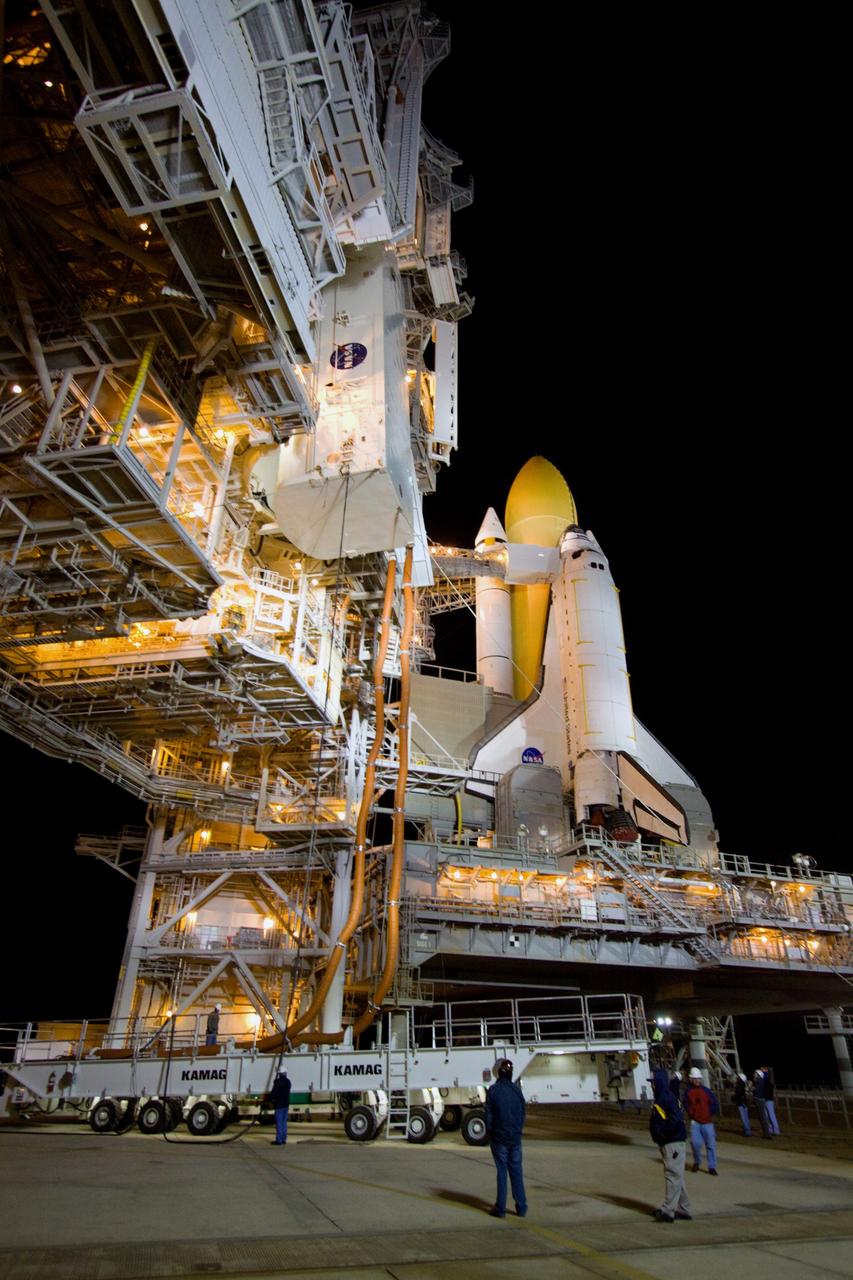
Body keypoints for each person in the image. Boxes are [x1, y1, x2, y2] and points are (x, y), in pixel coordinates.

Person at [485, 1058, 527, 1218]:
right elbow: (522, 1112)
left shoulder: (494, 1090)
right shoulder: (517, 1091)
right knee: (516, 1171)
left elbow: (489, 1114)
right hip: (515, 1138)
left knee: (502, 1171)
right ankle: (521, 1207)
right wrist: (517, 1130)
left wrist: (491, 1131)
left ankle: (500, 1208)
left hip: (499, 1138)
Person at [649, 1068, 692, 1222]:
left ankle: (668, 1211)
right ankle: (684, 1209)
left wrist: (662, 1133)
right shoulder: (664, 1097)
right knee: (677, 1176)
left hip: (672, 1142)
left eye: (653, 1082)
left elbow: (676, 1119)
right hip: (670, 1142)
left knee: (672, 1175)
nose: (651, 1085)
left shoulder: (666, 1098)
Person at [684, 1067, 719, 1174]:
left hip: (707, 1122)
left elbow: (714, 1103)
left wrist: (709, 1113)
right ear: (691, 1079)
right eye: (694, 1078)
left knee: (711, 1145)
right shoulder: (688, 1092)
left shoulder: (706, 1091)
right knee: (695, 1143)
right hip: (695, 1122)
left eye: (698, 1078)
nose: (697, 1080)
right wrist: (691, 1112)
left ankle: (712, 1166)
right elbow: (686, 1103)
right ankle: (697, 1161)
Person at [270, 1069, 291, 1145]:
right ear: (285, 1073)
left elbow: (273, 1094)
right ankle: (283, 1139)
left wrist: (275, 1083)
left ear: (279, 1074)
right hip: (286, 1105)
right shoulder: (288, 1082)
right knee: (284, 1123)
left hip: (279, 1105)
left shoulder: (278, 1082)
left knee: (279, 1123)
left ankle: (279, 1141)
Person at [753, 1068, 772, 1138]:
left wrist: (752, 1089)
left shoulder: (758, 1081)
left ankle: (767, 1134)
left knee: (762, 1118)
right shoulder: (760, 1080)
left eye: (755, 1073)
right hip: (761, 1100)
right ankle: (766, 1133)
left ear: (758, 1075)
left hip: (759, 1100)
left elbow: (757, 1091)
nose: (754, 1075)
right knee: (762, 1117)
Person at [762, 1065, 781, 1135]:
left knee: (771, 1115)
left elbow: (766, 1080)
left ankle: (776, 1130)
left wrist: (765, 1072)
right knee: (766, 1116)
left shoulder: (769, 1080)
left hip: (769, 1100)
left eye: (765, 1069)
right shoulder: (767, 1079)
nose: (763, 1070)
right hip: (766, 1099)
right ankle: (770, 1129)